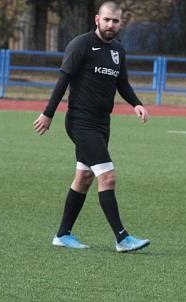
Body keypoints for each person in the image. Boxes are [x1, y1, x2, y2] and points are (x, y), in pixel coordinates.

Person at [33, 1, 150, 252]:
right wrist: (48, 113)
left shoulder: (118, 50)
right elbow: (63, 79)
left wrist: (136, 104)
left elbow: (123, 83)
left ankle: (63, 234)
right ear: (97, 19)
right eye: (107, 19)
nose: (111, 25)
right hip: (80, 122)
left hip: (101, 123)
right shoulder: (81, 44)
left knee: (84, 177)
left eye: (115, 21)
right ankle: (122, 238)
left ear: (121, 23)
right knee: (107, 175)